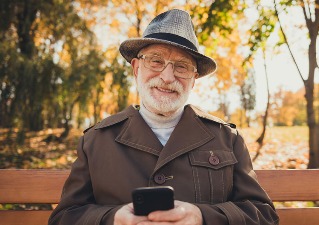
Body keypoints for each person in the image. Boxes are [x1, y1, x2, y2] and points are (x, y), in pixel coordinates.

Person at [48, 9, 279, 225]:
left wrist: (202, 216)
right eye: (156, 61)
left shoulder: (227, 138)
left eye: (182, 67)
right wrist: (113, 219)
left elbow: (264, 214)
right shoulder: (96, 141)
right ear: (137, 68)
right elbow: (65, 217)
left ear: (194, 79)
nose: (168, 77)